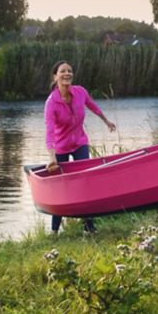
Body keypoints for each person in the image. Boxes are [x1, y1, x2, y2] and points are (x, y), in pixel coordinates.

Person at [43, 60, 115, 234]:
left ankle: (88, 227)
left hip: (80, 143)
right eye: (62, 71)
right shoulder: (51, 103)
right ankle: (54, 231)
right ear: (55, 76)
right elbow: (50, 131)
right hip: (60, 147)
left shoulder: (80, 92)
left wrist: (106, 121)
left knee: (86, 183)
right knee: (60, 188)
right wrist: (52, 157)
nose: (67, 73)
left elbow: (92, 105)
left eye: (69, 70)